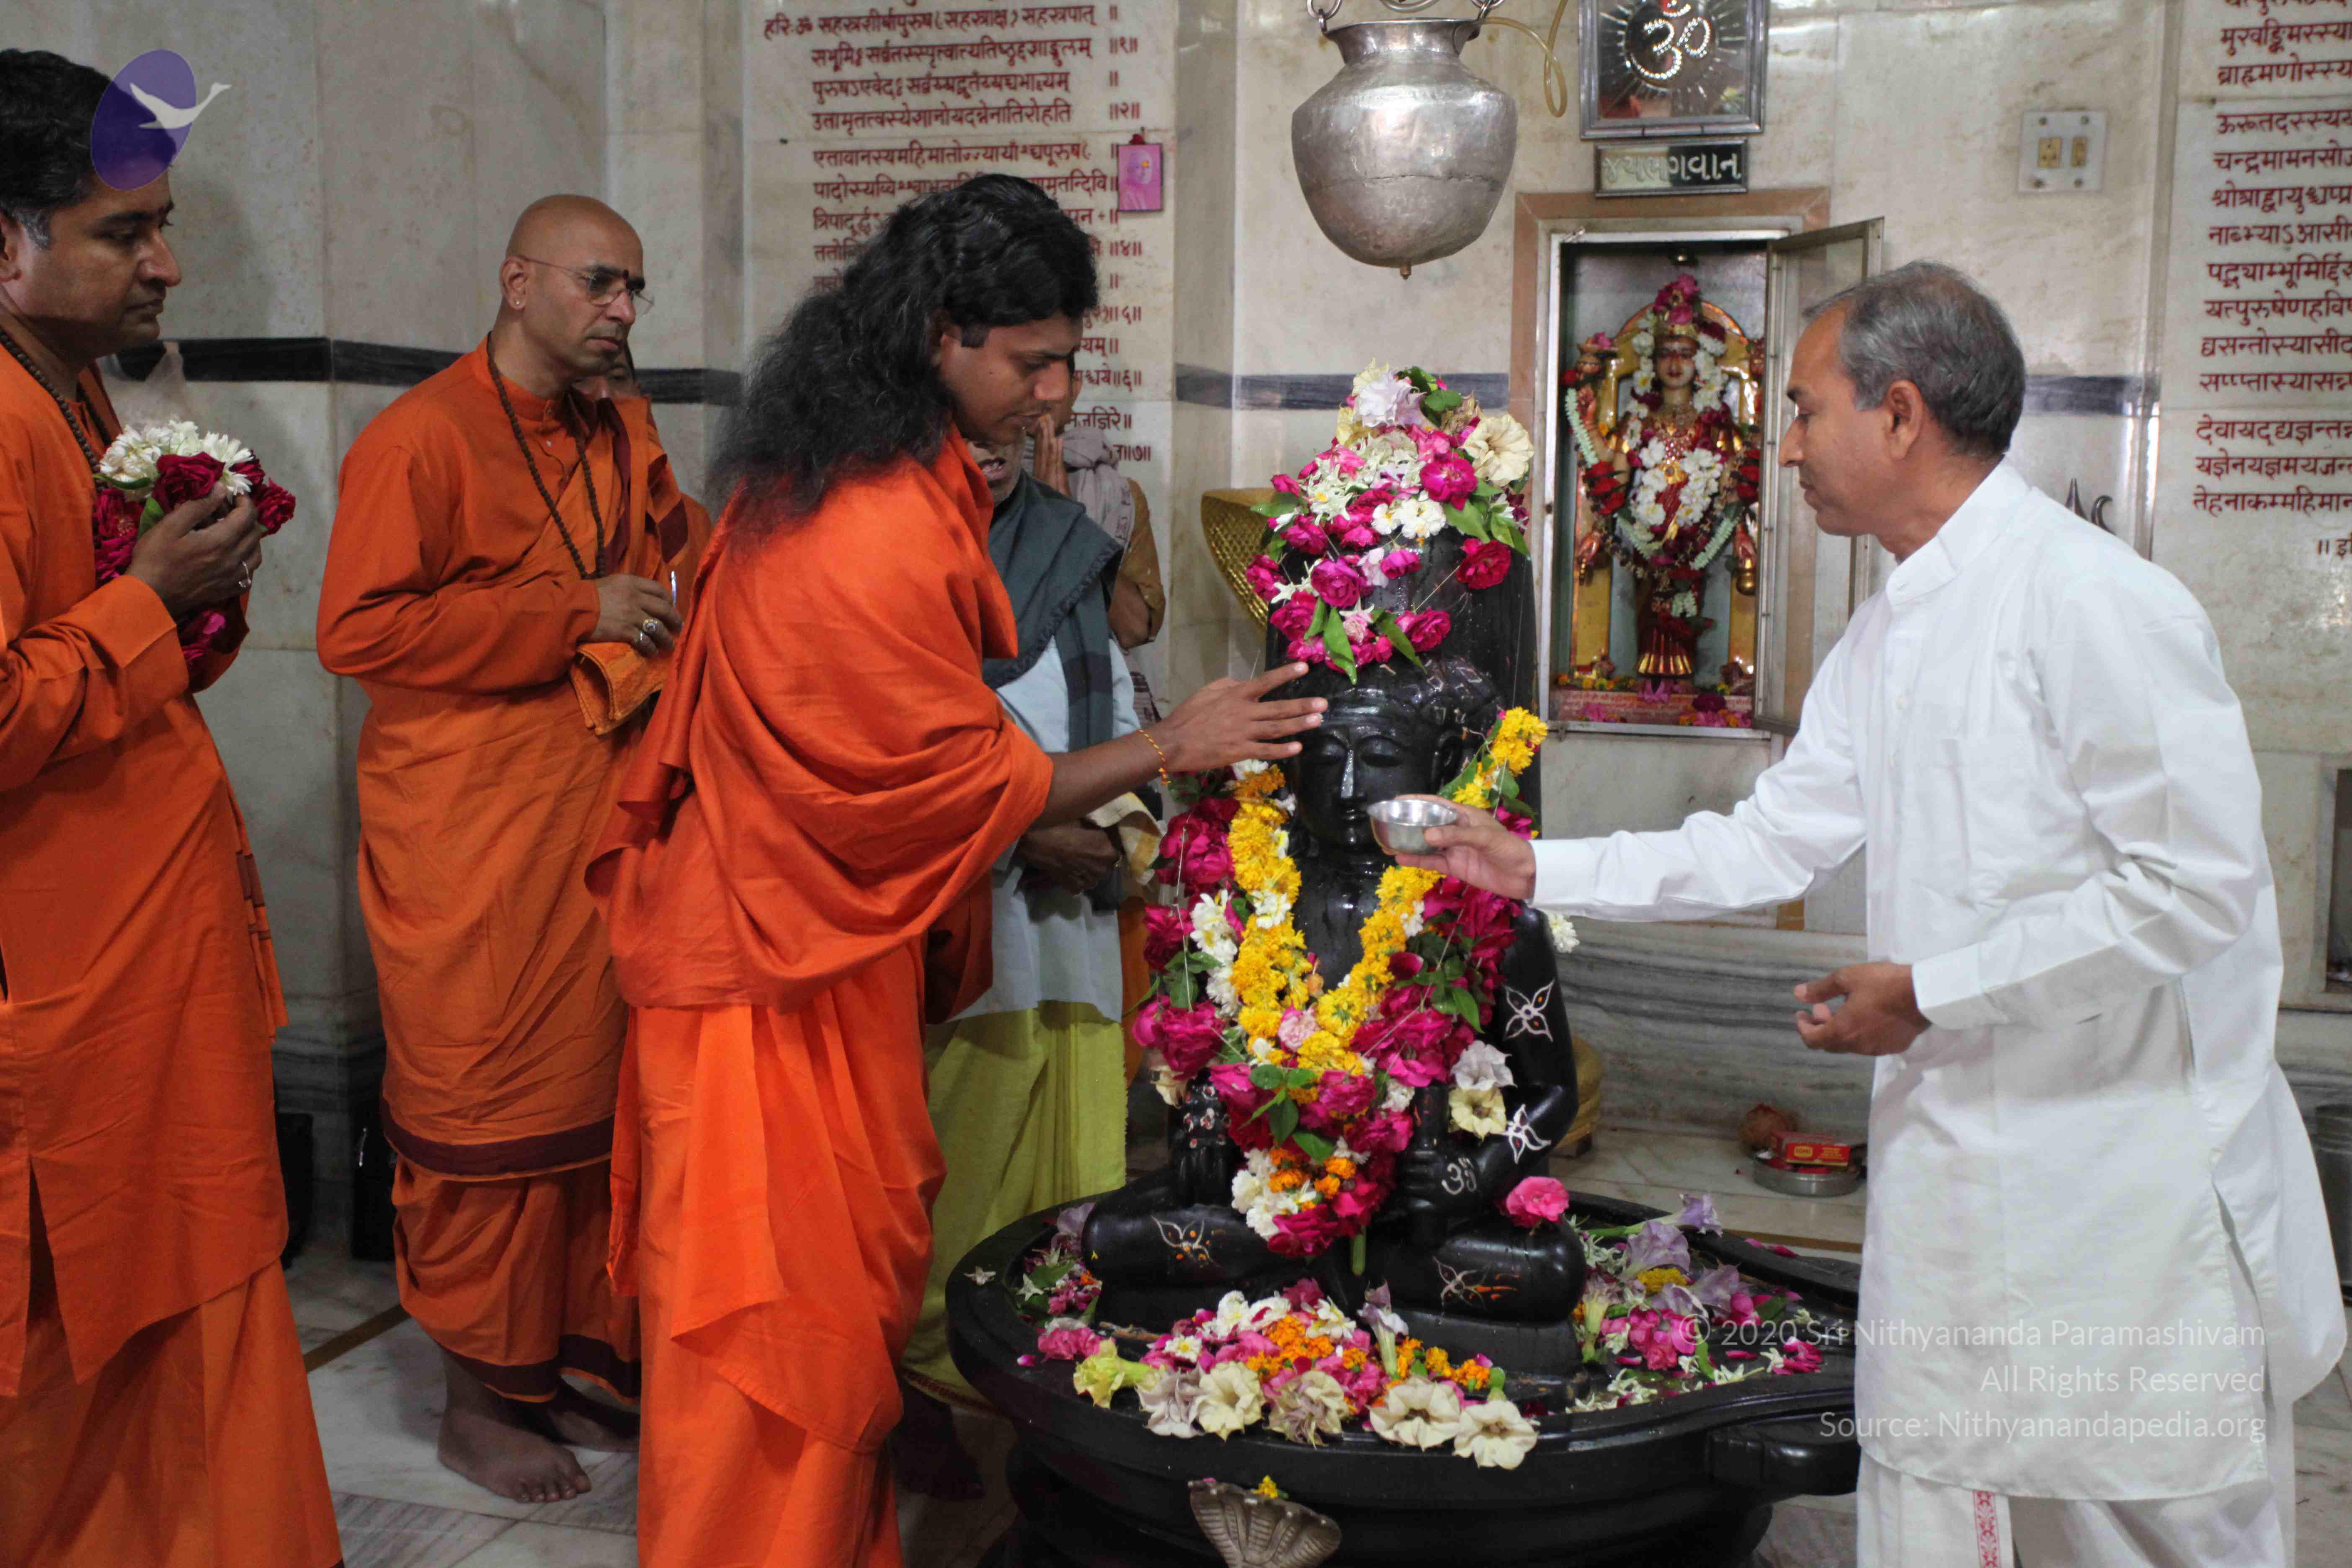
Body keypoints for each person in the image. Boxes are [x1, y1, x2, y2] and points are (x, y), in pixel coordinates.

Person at [1389, 262, 2345, 1568]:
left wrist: (1934, 992)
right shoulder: (1892, 629)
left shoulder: (2095, 602)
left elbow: (2192, 890)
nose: (1782, 449)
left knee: (2138, 1521)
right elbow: (1769, 841)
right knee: (1944, 1494)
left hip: (2119, 1190)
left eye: (1802, 410)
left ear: (1900, 416)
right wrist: (1534, 868)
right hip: (1962, 1174)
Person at [586, 173, 1324, 1568]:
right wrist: (1171, 742)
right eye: (1031, 361)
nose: (1051, 396)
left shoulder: (867, 472)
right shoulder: (858, 520)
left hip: (812, 956)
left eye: (1065, 361)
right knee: (772, 1337)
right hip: (759, 982)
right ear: (940, 333)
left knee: (828, 1319)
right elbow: (944, 780)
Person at [0, 49, 339, 1566]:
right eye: (124, 232)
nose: (167, 265)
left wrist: (186, 594)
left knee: (189, 1298)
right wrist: (149, 602)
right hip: (64, 995)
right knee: (81, 1344)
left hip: (138, 970)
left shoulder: (64, 389)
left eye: (164, 225)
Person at [319, 194, 707, 1504]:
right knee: (481, 1119)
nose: (623, 311)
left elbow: (680, 553)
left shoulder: (610, 429)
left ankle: (563, 1369)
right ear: (518, 279)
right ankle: (474, 1406)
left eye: (635, 290)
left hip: (590, 822)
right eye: (601, 283)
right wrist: (575, 610)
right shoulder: (421, 437)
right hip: (469, 837)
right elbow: (359, 632)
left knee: (588, 1114)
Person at [892, 426, 1145, 1498]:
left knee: (1072, 1175)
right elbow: (883, 745)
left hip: (1070, 920)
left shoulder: (1063, 542)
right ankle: (913, 1384)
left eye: (1010, 429)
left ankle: (1044, 1382)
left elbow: (1116, 703)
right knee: (948, 1166)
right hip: (949, 923)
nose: (989, 446)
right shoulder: (883, 552)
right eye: (966, 424)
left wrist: (1114, 833)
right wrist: (1019, 833)